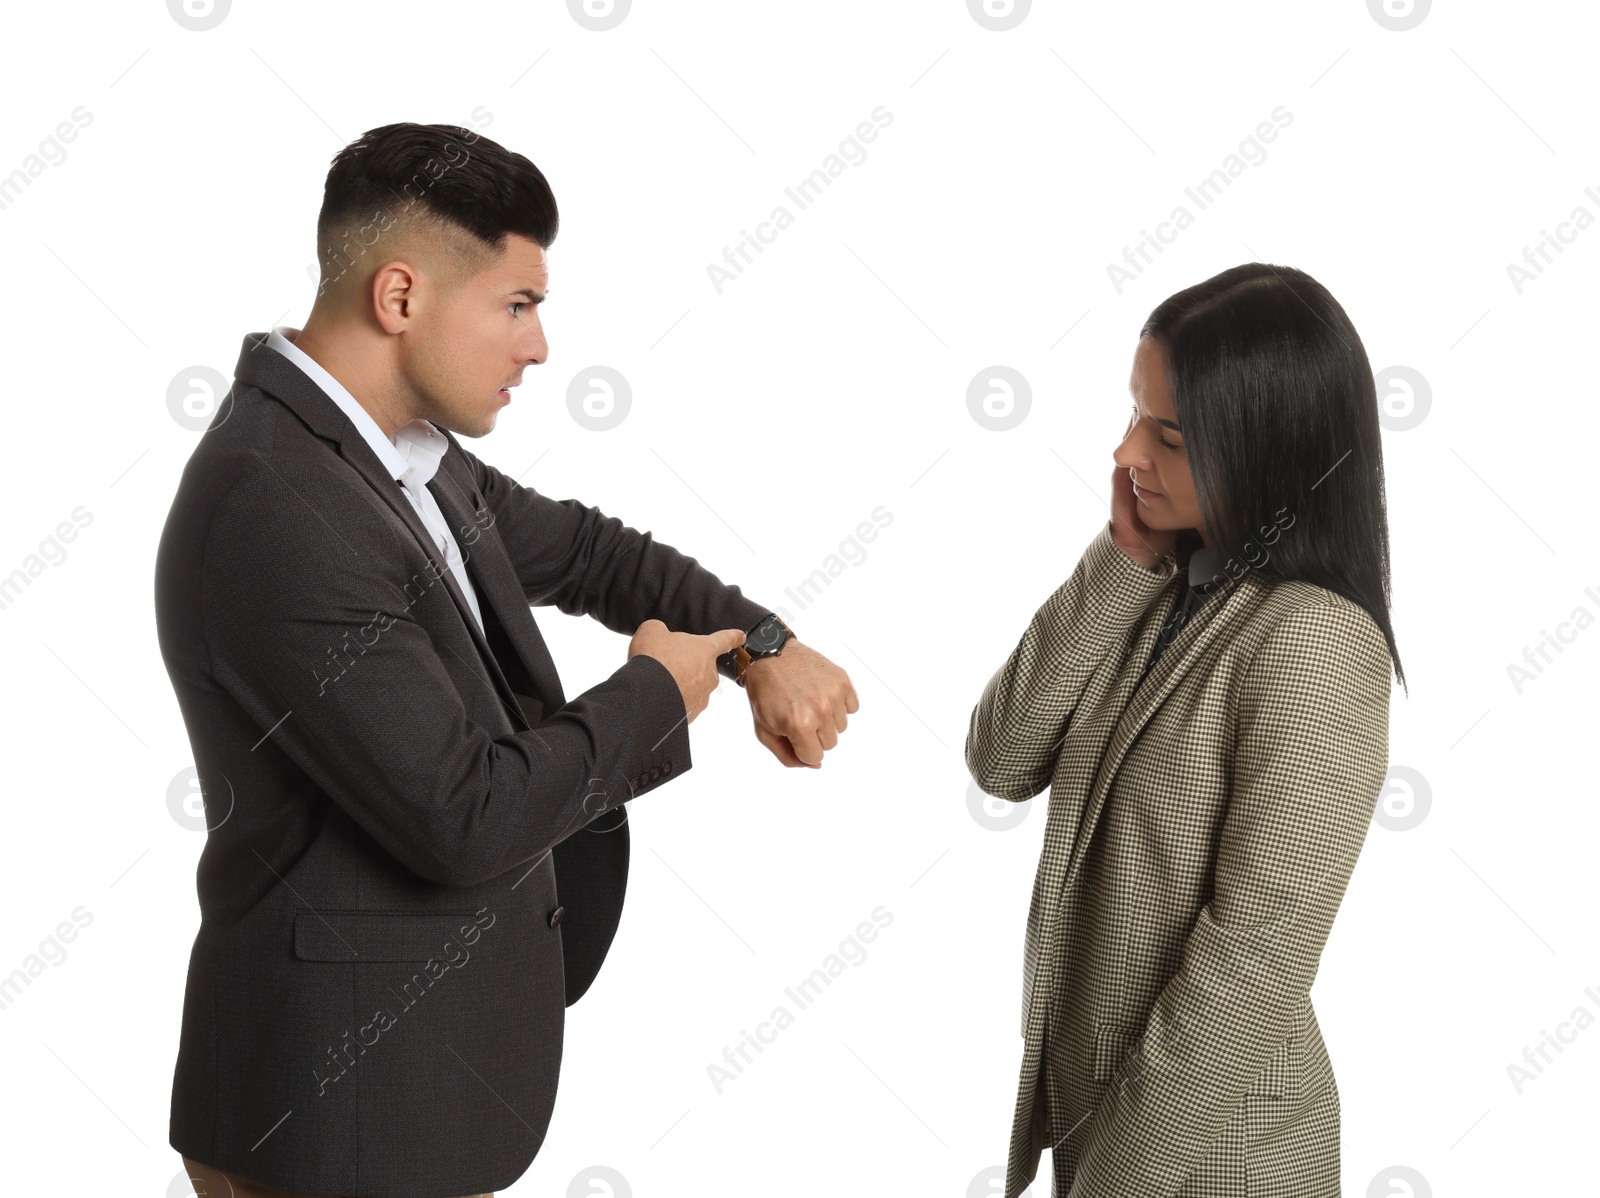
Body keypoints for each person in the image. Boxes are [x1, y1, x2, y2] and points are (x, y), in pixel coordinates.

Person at [155, 121, 857, 1198]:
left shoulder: (401, 458)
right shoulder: (281, 502)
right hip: (338, 1111)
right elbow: (464, 814)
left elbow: (586, 553)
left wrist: (761, 643)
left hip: (404, 1088)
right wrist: (655, 695)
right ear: (400, 298)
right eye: (518, 306)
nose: (538, 347)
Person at [965, 263, 1404, 1197]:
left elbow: (1255, 958)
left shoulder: (1314, 640)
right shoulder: (1174, 585)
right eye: (1132, 416)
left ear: (1265, 445)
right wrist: (1124, 559)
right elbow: (1002, 758)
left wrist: (1114, 1186)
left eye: (1166, 434)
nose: (1126, 451)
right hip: (1108, 1131)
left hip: (1203, 1161)